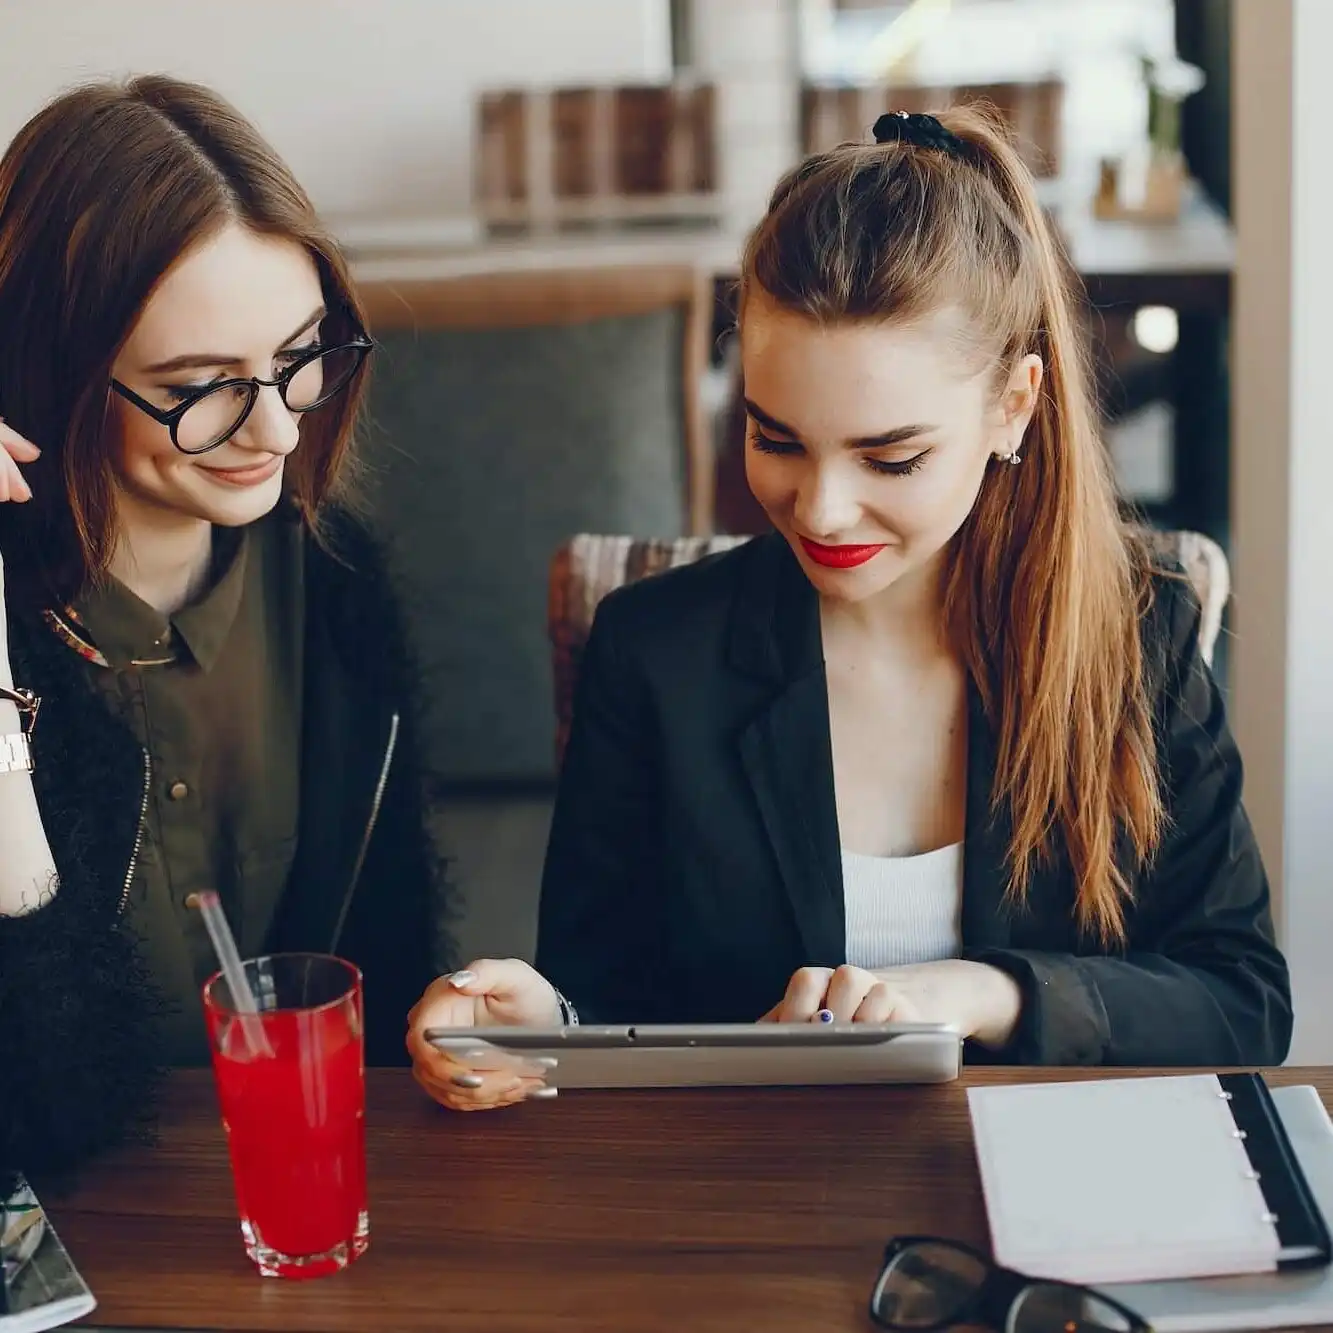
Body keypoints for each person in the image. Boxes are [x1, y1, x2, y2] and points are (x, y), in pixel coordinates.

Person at [407, 107, 1291, 1111]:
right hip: (761, 1213)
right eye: (775, 437)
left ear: (1014, 405)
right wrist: (545, 1023)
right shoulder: (656, 651)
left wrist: (982, 990)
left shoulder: (1141, 633)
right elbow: (609, 1005)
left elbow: (1241, 1001)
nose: (820, 509)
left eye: (890, 455)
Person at [0, 76, 452, 1190]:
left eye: (300, 354)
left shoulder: (337, 589)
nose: (278, 425)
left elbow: (387, 973)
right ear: (49, 376)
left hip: (325, 1190)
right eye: (200, 386)